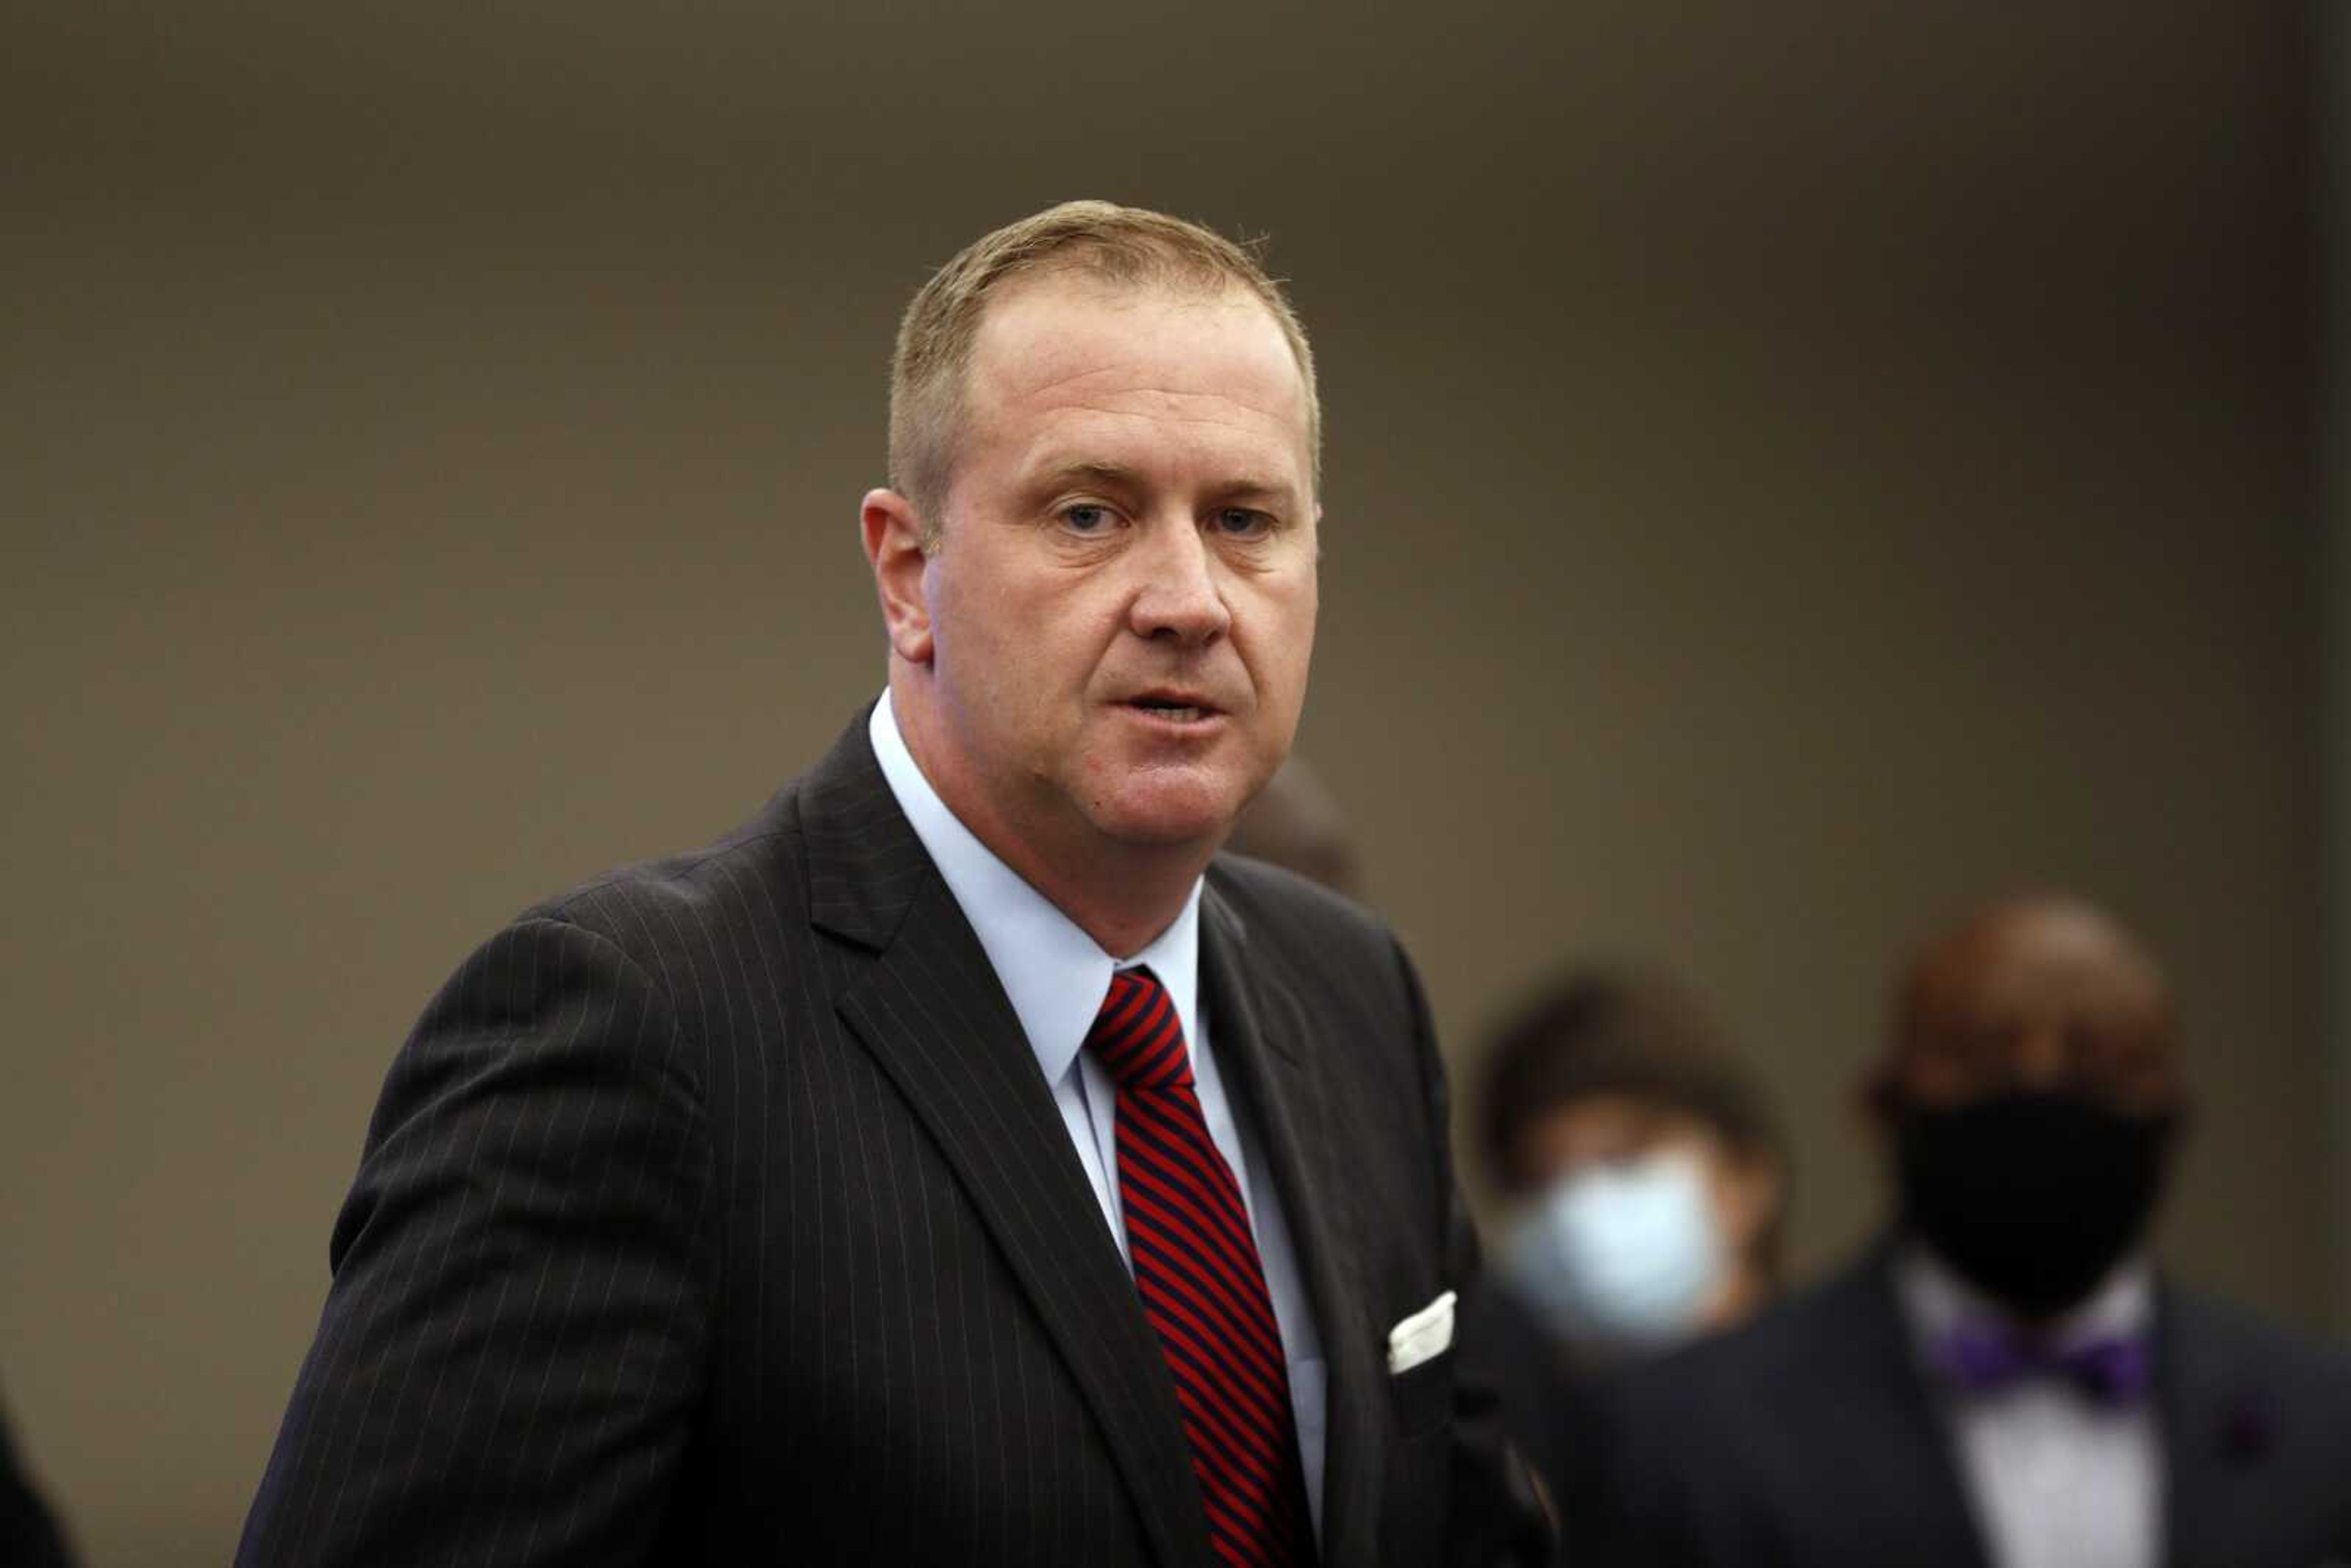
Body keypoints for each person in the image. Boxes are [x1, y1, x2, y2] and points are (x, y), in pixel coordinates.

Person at [236, 200, 1545, 1568]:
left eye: (1245, 518)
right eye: (1090, 511)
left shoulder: (1353, 998)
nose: (1190, 597)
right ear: (909, 574)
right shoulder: (638, 1029)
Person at [1563, 892, 2351, 1568]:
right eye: (1982, 1057)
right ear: (1881, 1105)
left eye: (2096, 1059)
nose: (2041, 1086)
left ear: (2170, 1115)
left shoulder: (2323, 1424)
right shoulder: (1680, 1439)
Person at [1468, 972, 1786, 1515]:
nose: (1578, 1215)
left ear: (1747, 1175)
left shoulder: (1862, 1426)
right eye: (1540, 1181)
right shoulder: (1510, 1485)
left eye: (1623, 1160)